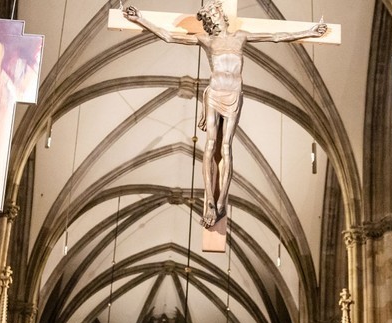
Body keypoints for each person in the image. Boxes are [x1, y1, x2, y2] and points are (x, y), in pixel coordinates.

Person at [123, 2, 327, 228]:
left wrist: (309, 32)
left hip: (233, 95)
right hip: (215, 94)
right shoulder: (206, 40)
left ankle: (221, 202)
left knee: (227, 147)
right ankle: (209, 199)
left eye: (217, 15)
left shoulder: (241, 37)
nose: (216, 19)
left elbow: (277, 36)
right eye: (212, 17)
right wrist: (139, 19)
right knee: (210, 146)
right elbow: (170, 37)